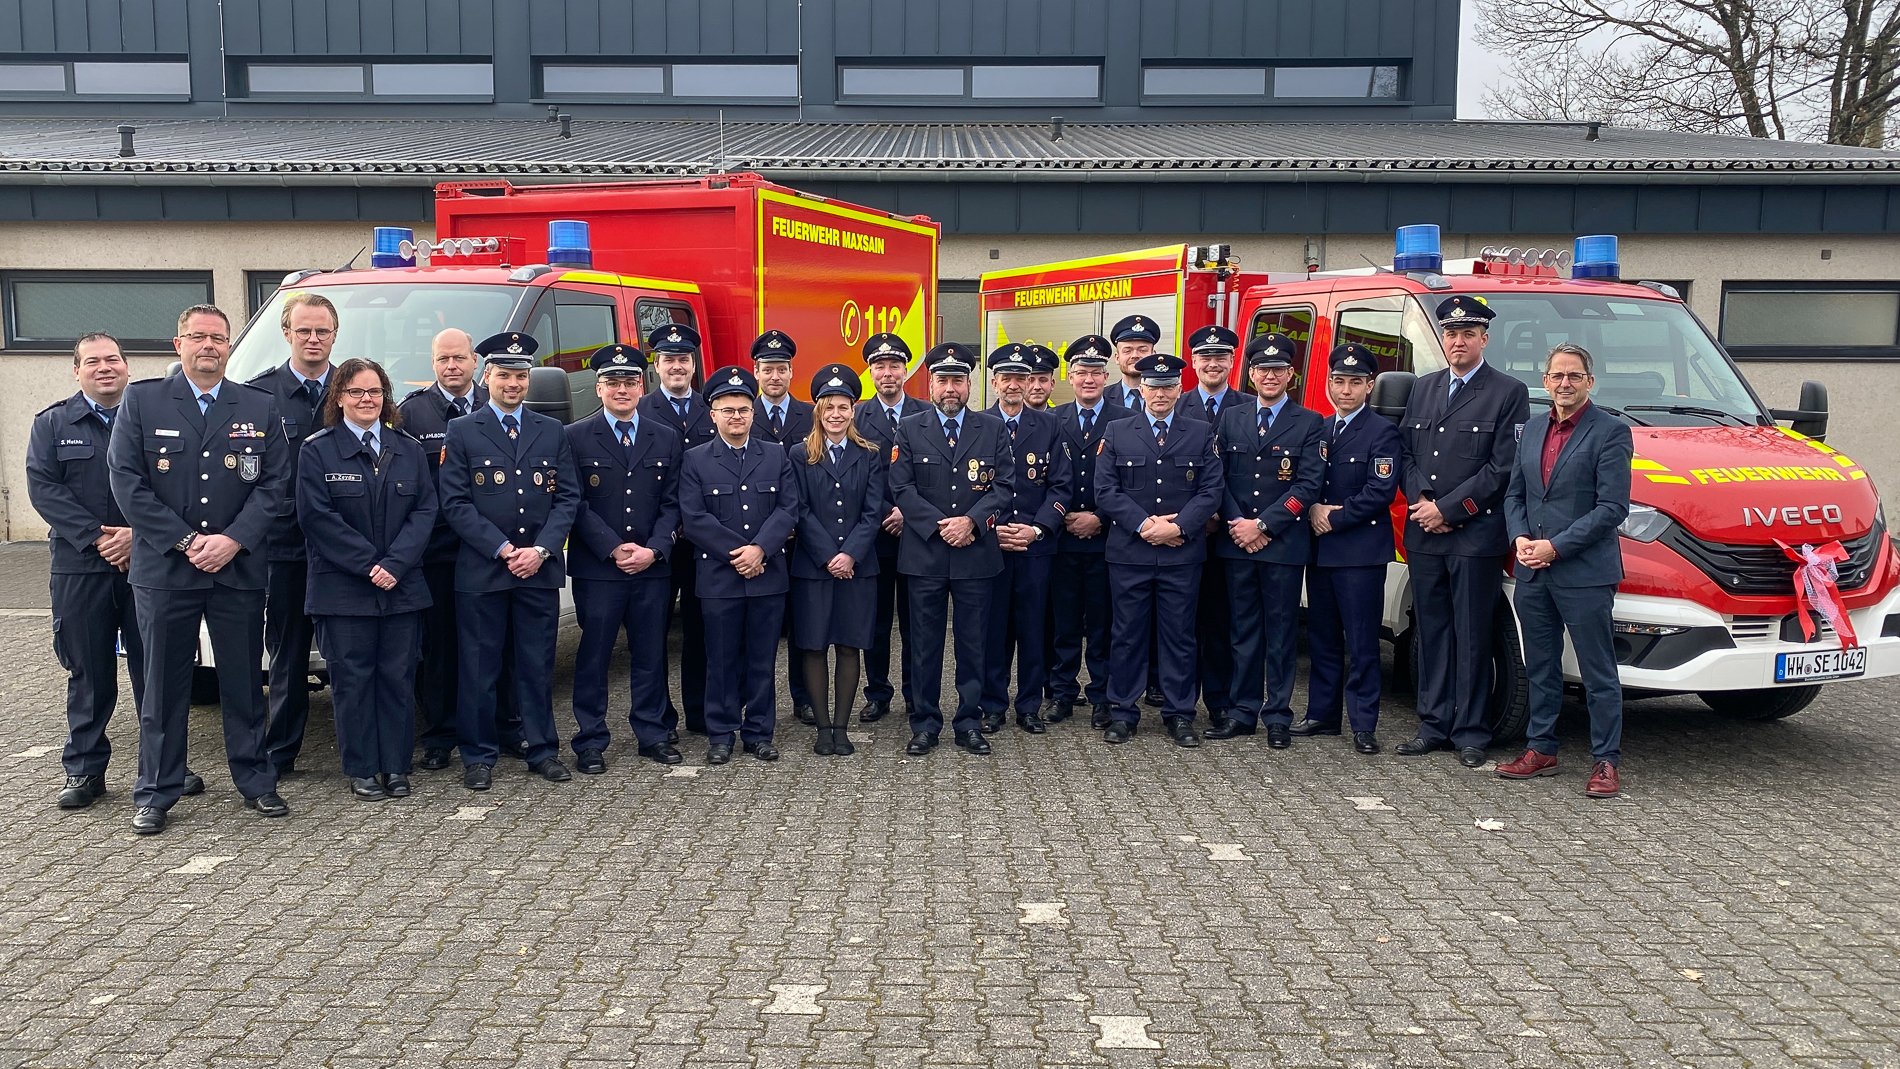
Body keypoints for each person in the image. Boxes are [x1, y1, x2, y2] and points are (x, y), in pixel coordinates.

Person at [107, 304, 290, 835]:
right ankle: (157, 792)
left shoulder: (257, 404)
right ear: (178, 344)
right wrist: (187, 540)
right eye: (198, 337)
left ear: (229, 347)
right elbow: (126, 481)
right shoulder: (143, 400)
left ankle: (256, 781)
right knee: (164, 685)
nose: (208, 345)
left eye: (218, 338)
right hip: (167, 569)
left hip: (237, 568)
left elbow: (274, 484)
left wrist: (233, 540)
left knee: (241, 680)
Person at [28, 332, 204, 809]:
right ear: (77, 370)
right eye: (92, 362)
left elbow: (177, 486)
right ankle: (85, 770)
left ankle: (168, 765)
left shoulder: (157, 416)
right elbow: (44, 489)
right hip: (80, 566)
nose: (104, 368)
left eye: (113, 360)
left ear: (127, 366)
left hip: (150, 564)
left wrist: (136, 534)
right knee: (89, 670)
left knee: (159, 669)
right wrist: (99, 537)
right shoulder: (53, 423)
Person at [438, 331, 581, 790]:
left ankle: (541, 749)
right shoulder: (462, 431)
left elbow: (567, 499)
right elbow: (455, 503)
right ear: (487, 377)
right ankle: (478, 756)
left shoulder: (551, 430)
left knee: (536, 665)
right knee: (479, 667)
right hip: (484, 572)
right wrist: (503, 550)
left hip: (537, 570)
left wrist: (540, 550)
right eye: (504, 375)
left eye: (521, 375)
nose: (513, 383)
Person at [1397, 296, 1532, 768]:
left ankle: (1472, 732)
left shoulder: (1508, 391)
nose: (1458, 341)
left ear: (1484, 339)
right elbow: (1407, 454)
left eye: (1468, 334)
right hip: (1425, 533)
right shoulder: (1424, 387)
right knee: (1430, 633)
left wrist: (1451, 510)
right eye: (1451, 334)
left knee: (1473, 634)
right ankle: (1432, 725)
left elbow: (1503, 468)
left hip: (1474, 535)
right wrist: (1422, 504)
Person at [296, 358, 437, 801]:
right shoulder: (317, 450)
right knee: (352, 682)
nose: (366, 400)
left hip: (401, 587)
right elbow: (316, 518)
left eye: (374, 392)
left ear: (385, 398)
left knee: (397, 677)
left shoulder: (408, 449)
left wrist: (393, 564)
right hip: (343, 590)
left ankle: (396, 766)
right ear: (338, 398)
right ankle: (361, 768)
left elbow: (425, 511)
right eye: (356, 392)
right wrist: (367, 564)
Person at [1498, 343, 1633, 798]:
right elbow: (1515, 495)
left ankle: (1606, 761)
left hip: (1584, 573)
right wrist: (1519, 539)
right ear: (1545, 381)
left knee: (1598, 671)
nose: (1565, 384)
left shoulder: (1611, 433)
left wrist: (1555, 547)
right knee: (1539, 666)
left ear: (1589, 383)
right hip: (1533, 572)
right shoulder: (1532, 431)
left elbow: (1612, 508)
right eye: (1557, 376)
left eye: (1574, 376)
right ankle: (1541, 749)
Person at [888, 342, 1014, 757]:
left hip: (975, 554)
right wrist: (937, 526)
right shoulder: (909, 428)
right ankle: (925, 723)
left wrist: (972, 523)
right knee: (923, 644)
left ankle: (969, 722)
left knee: (973, 643)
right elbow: (901, 486)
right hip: (925, 554)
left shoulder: (991, 428)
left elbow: (1004, 487)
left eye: (957, 380)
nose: (950, 388)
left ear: (968, 384)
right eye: (942, 380)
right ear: (931, 383)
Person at [1094, 353, 1223, 747]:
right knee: (1127, 634)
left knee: (1179, 636)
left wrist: (1177, 526)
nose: (1161, 393)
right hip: (1130, 552)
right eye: (1154, 386)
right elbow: (1106, 491)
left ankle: (1180, 714)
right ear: (1142, 388)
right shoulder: (1117, 430)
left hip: (1181, 553)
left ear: (1179, 389)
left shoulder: (1200, 432)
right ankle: (1122, 712)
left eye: (1168, 387)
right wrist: (1146, 525)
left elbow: (1211, 490)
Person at [565, 344, 683, 769]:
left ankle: (651, 733)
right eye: (613, 382)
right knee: (594, 654)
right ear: (598, 388)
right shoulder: (575, 437)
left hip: (651, 568)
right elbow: (573, 503)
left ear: (641, 386)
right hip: (600, 569)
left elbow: (673, 502)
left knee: (650, 653)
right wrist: (613, 548)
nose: (622, 389)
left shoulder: (665, 437)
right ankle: (590, 739)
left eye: (630, 382)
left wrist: (654, 549)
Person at [1206, 332, 1325, 748]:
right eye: (1262, 369)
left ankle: (1277, 715)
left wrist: (1265, 526)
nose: (1269, 376)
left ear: (1290, 375)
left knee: (1280, 633)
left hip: (1282, 546)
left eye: (1278, 370)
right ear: (1251, 373)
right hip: (1237, 542)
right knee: (1242, 631)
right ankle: (1242, 712)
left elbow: (1308, 485)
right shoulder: (1232, 418)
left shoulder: (1309, 423)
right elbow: (1216, 478)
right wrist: (1239, 523)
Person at [679, 367, 800, 764]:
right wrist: (742, 554)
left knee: (762, 660)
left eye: (744, 409)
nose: (736, 417)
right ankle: (721, 733)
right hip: (719, 578)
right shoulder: (695, 459)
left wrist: (761, 550)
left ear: (754, 413)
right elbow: (694, 519)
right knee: (721, 658)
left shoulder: (776, 454)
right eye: (727, 410)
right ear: (712, 414)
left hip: (767, 576)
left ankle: (759, 732)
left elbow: (788, 508)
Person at [397, 327, 502, 771]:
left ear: (475, 362)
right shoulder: (411, 415)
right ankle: (440, 733)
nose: (452, 366)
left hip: (491, 550)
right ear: (433, 363)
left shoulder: (496, 405)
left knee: (493, 645)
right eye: (443, 360)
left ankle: (498, 727)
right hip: (438, 550)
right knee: (438, 648)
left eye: (459, 358)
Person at [1296, 343, 1404, 755]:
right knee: (1322, 638)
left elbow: (1380, 490)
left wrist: (1331, 517)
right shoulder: (1319, 428)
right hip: (1321, 553)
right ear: (1328, 384)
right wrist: (1312, 509)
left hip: (1359, 553)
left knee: (1361, 643)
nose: (1345, 390)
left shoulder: (1381, 431)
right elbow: (1303, 481)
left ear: (1369, 386)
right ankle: (1323, 716)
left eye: (1354, 383)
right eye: (1338, 381)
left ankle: (1363, 724)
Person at [248, 291, 338, 777]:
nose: (313, 338)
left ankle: (360, 749)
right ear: (286, 333)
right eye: (303, 330)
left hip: (343, 549)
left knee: (346, 652)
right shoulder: (259, 395)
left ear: (334, 335)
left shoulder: (353, 389)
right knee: (287, 655)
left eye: (322, 330)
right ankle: (280, 753)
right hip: (284, 547)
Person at [787, 362, 886, 756]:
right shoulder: (799, 454)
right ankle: (821, 728)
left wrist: (850, 555)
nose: (835, 414)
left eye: (843, 406)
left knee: (849, 646)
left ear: (853, 410)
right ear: (818, 411)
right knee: (813, 646)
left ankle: (841, 728)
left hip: (858, 569)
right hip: (813, 567)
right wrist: (830, 555)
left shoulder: (870, 454)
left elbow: (872, 510)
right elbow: (799, 509)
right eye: (828, 407)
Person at [975, 343, 1071, 735]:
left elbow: (1061, 487)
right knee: (992, 630)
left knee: (1034, 630)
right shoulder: (977, 424)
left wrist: (1035, 529)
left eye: (1022, 378)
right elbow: (967, 489)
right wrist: (990, 528)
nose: (1014, 385)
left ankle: (1029, 704)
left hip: (1035, 547)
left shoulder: (1049, 426)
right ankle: (992, 704)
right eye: (1007, 378)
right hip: (990, 546)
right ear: (994, 383)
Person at [1047, 334, 1130, 729]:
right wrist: (1061, 516)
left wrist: (1100, 516)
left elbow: (1131, 485)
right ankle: (1061, 692)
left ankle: (1102, 696)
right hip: (1061, 539)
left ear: (1106, 375)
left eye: (1096, 373)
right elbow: (1045, 479)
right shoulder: (1052, 419)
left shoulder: (1125, 420)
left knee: (1101, 623)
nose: (1089, 380)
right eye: (1081, 372)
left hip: (1106, 538)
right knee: (1063, 622)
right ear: (1069, 375)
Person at [638, 322, 716, 737]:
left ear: (693, 364)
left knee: (699, 631)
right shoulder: (642, 410)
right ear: (656, 365)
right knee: (653, 635)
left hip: (703, 543)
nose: (676, 367)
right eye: (668, 360)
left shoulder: (713, 409)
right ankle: (660, 718)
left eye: (683, 360)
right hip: (660, 541)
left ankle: (700, 713)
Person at [1176, 324, 1247, 723]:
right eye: (1205, 357)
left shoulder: (1249, 406)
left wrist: (1226, 516)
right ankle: (1179, 699)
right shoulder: (1174, 403)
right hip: (1184, 534)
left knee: (1221, 621)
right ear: (1194, 364)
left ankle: (1220, 700)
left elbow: (1243, 474)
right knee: (1181, 623)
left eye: (1221, 357)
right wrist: (1194, 518)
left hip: (1228, 535)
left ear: (1232, 361)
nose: (1213, 364)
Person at [749, 329, 818, 725]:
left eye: (782, 369)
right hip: (758, 539)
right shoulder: (741, 410)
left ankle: (803, 696)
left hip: (802, 538)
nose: (775, 376)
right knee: (759, 624)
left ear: (792, 372)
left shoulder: (810, 414)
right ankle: (754, 701)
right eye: (768, 369)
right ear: (756, 372)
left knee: (800, 621)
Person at [852, 333, 916, 726]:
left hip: (917, 535)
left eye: (894, 366)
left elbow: (938, 479)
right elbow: (851, 481)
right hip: (872, 539)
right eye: (880, 366)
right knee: (874, 622)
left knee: (915, 623)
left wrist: (908, 513)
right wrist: (883, 514)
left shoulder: (926, 412)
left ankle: (915, 692)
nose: (887, 373)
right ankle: (877, 692)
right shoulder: (855, 417)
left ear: (905, 370)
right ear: (871, 371)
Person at [1109, 315, 1157, 410]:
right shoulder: (1101, 398)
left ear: (1153, 355)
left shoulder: (1173, 399)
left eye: (1142, 350)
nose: (1135, 355)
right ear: (1117, 358)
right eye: (1127, 350)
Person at [1024, 345, 1058, 410]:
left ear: (1052, 384)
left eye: (1043, 380)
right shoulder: (1007, 419)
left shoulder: (1059, 419)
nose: (1037, 387)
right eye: (1030, 380)